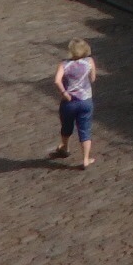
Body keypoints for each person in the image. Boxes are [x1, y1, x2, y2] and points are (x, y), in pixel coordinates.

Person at [50, 39, 96, 169]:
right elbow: (92, 79)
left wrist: (64, 92)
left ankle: (65, 147)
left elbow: (57, 80)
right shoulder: (89, 61)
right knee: (85, 129)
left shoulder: (64, 64)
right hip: (85, 101)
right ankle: (85, 159)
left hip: (69, 102)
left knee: (66, 126)